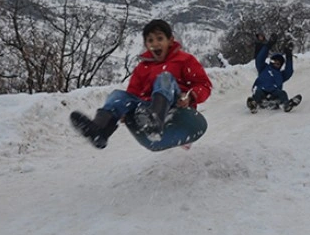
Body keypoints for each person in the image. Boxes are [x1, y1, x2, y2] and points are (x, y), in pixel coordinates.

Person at [70, 19, 212, 149]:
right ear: (146, 45)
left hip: (175, 104)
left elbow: (204, 84)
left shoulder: (184, 59)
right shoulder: (142, 68)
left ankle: (155, 119)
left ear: (170, 40)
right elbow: (133, 94)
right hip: (146, 111)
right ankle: (100, 130)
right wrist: (124, 112)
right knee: (118, 95)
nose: (155, 44)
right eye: (150, 41)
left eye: (160, 38)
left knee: (165, 77)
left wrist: (190, 97)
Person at [246, 34, 301, 113]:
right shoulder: (263, 68)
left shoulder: (281, 75)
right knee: (257, 92)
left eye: (279, 63)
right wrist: (269, 44)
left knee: (282, 93)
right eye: (275, 61)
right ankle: (254, 104)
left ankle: (286, 105)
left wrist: (289, 55)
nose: (276, 63)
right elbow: (259, 59)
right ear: (272, 61)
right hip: (261, 91)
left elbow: (289, 71)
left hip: (274, 94)